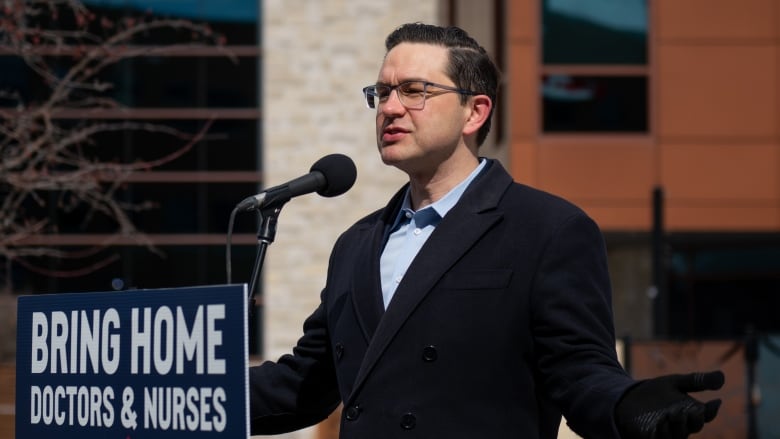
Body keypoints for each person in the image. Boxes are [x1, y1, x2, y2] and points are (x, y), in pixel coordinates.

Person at [249, 22, 724, 439]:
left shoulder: (548, 230)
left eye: (414, 91)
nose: (390, 108)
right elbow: (303, 384)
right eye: (382, 92)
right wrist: (199, 397)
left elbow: (580, 370)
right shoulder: (355, 245)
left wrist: (625, 405)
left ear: (474, 112)